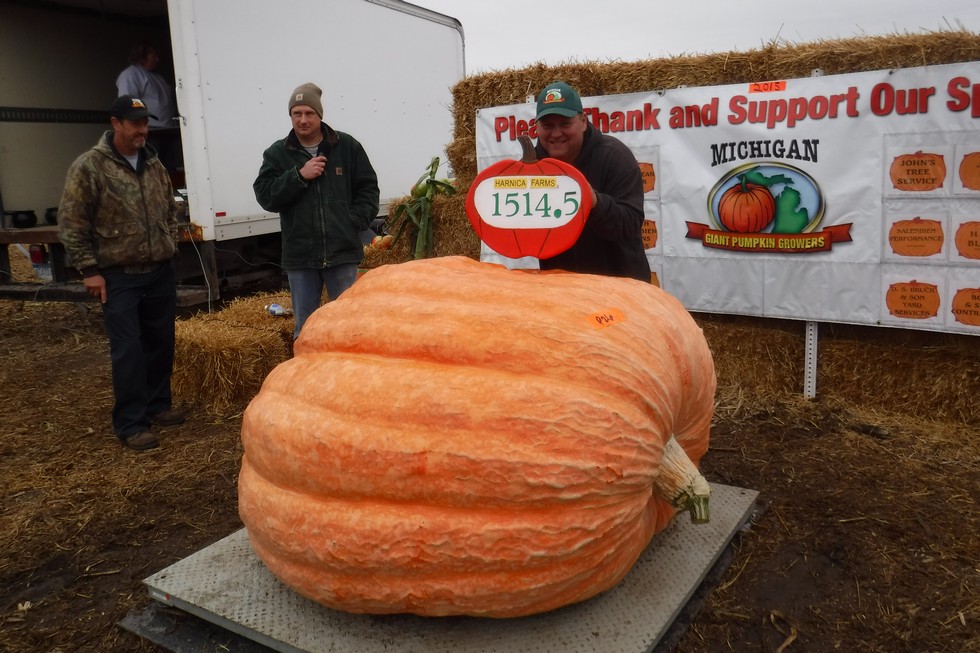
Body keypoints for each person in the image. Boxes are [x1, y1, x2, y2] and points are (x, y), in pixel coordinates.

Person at [58, 95, 185, 451]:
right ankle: (131, 423)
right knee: (128, 350)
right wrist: (89, 270)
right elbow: (72, 222)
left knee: (161, 343)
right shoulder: (90, 167)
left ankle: (158, 405)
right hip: (119, 276)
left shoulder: (154, 164)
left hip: (158, 271)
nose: (142, 130)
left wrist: (169, 243)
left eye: (145, 123)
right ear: (116, 124)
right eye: (135, 123)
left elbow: (169, 210)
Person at [253, 82, 380, 340]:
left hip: (342, 253)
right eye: (296, 113)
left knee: (347, 326)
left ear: (319, 115)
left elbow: (368, 189)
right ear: (290, 116)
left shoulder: (347, 147)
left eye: (309, 113)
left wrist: (352, 223)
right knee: (306, 329)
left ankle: (345, 366)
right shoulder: (277, 153)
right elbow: (265, 196)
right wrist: (299, 176)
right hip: (300, 255)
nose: (303, 119)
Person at [533, 81, 650, 281]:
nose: (556, 133)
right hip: (560, 287)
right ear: (537, 127)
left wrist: (594, 202)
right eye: (548, 125)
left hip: (620, 286)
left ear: (583, 122)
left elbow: (630, 224)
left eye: (565, 124)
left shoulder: (616, 157)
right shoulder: (530, 167)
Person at [116, 41, 181, 171]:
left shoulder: (157, 77)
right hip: (150, 133)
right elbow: (128, 103)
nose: (157, 60)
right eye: (153, 56)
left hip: (167, 130)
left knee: (167, 170)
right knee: (150, 169)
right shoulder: (131, 75)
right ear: (142, 56)